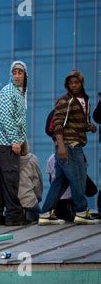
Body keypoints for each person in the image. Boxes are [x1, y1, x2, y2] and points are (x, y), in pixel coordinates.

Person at [39, 70, 99, 225]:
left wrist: (89, 127)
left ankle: (45, 213)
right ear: (67, 85)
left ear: (81, 83)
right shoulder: (65, 100)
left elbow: (76, 123)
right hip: (68, 145)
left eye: (76, 82)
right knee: (77, 178)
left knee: (60, 180)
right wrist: (61, 146)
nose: (73, 85)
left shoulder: (84, 100)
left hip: (75, 143)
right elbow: (58, 124)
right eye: (71, 83)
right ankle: (81, 211)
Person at [0, 61, 29, 226]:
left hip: (6, 143)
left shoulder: (19, 92)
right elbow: (6, 118)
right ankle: (14, 215)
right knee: (11, 179)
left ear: (25, 75)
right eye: (15, 73)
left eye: (20, 73)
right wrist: (15, 141)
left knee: (2, 181)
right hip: (7, 143)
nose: (17, 76)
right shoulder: (8, 91)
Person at [18, 142, 42, 222]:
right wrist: (38, 198)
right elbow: (37, 182)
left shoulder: (7, 162)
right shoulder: (32, 159)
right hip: (30, 202)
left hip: (13, 206)